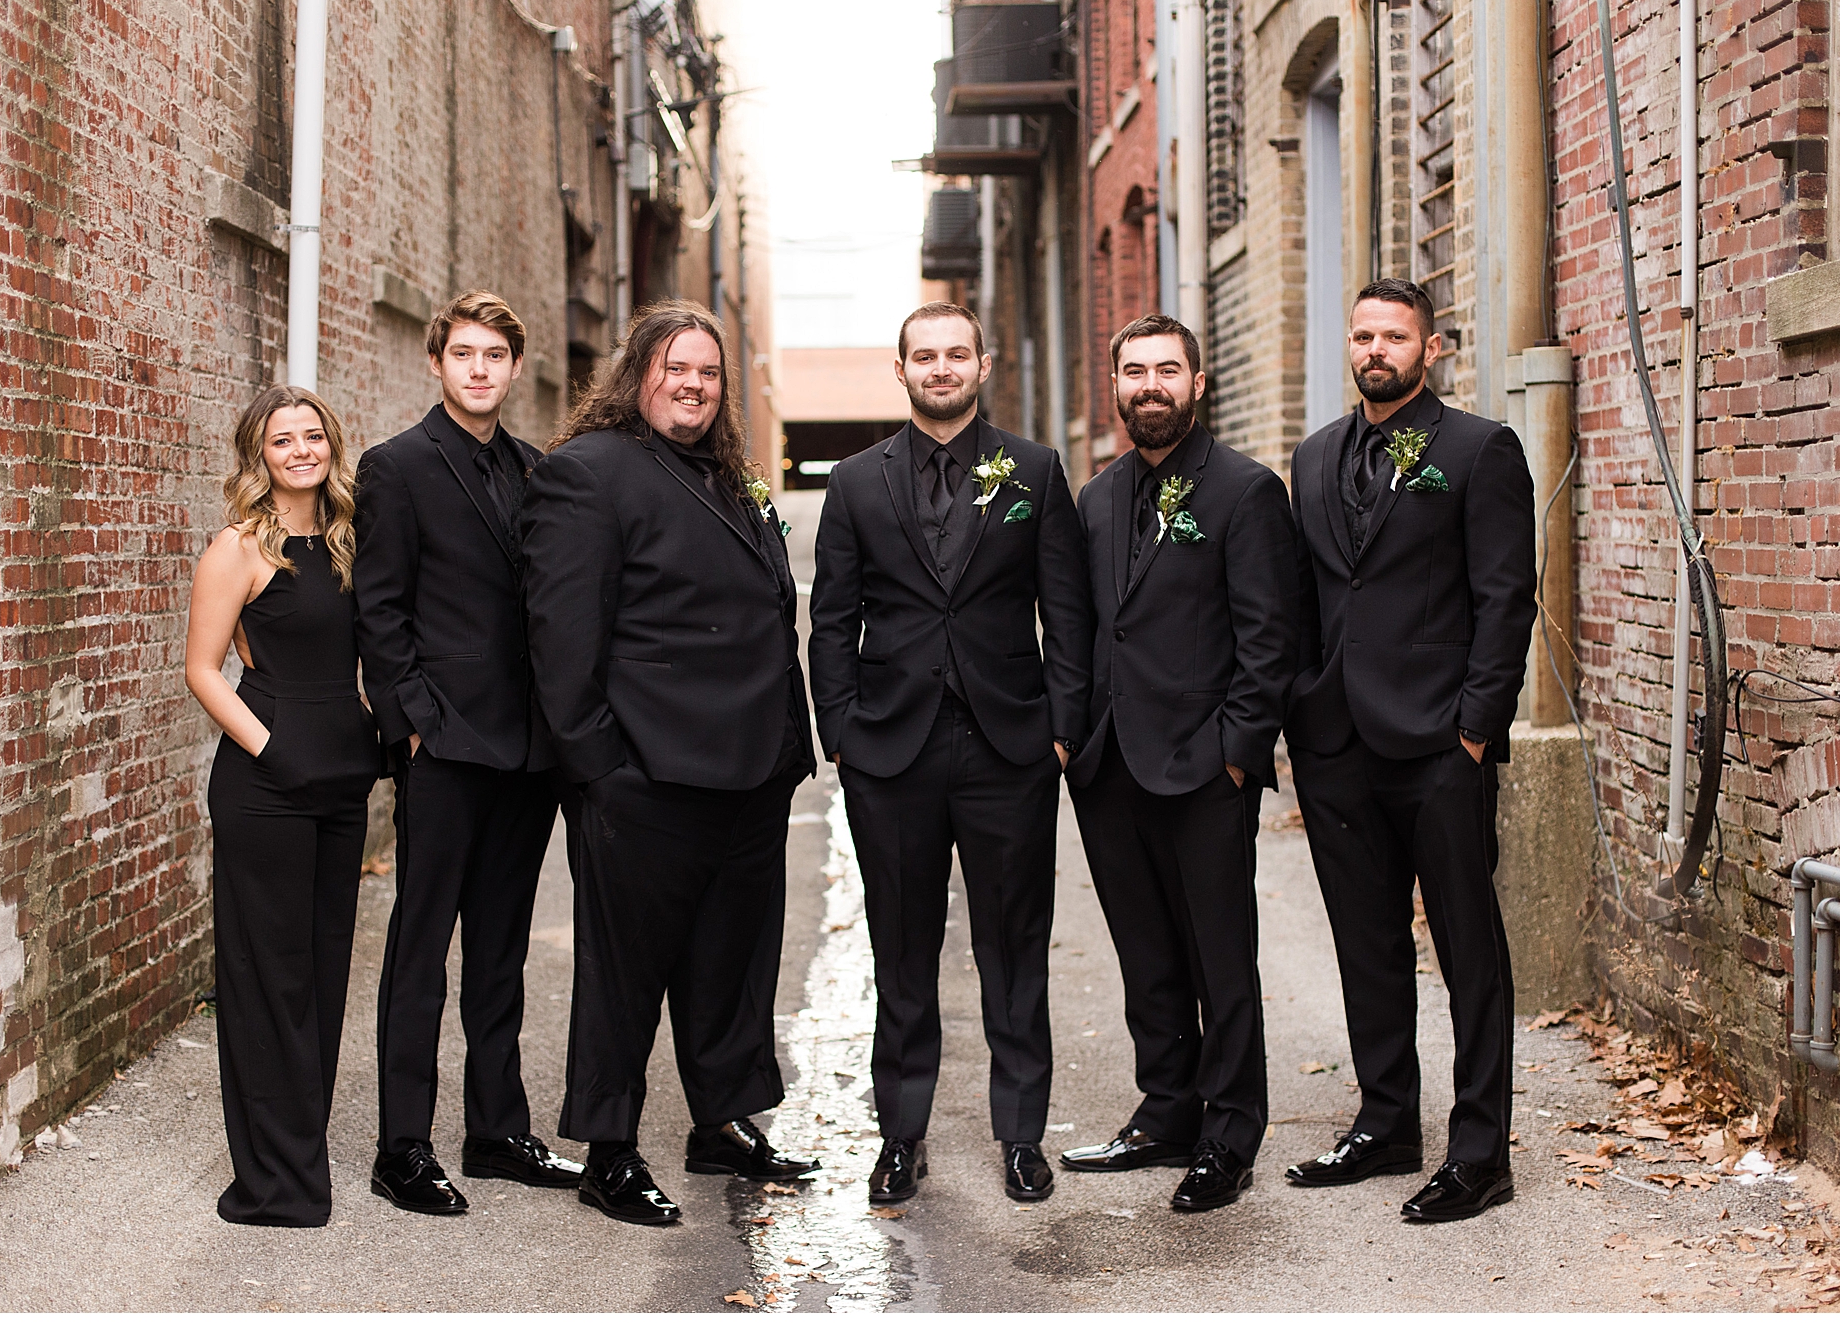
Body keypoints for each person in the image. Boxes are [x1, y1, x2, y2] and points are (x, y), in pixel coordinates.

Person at [522, 299, 819, 1227]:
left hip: (750, 771)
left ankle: (721, 1119)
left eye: (708, 372)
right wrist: (601, 770)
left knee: (732, 960)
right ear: (637, 373)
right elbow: (562, 639)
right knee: (625, 972)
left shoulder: (728, 476)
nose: (693, 385)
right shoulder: (587, 472)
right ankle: (609, 1149)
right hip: (644, 776)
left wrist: (788, 747)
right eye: (674, 367)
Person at [809, 302, 1094, 1205]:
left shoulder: (1035, 471)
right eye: (925, 355)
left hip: (1009, 746)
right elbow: (831, 618)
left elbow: (1068, 612)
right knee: (901, 947)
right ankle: (901, 1134)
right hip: (890, 750)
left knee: (1014, 947)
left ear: (983, 363)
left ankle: (1021, 1135)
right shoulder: (856, 480)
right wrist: (842, 731)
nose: (941, 367)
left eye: (956, 353)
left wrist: (1060, 727)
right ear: (901, 370)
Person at [1281, 277, 1537, 1222]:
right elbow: (1306, 596)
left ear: (1430, 348)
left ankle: (1480, 1151)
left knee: (1469, 949)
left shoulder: (1477, 449)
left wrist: (1475, 728)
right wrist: (1303, 713)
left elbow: (1506, 597)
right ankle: (1387, 1122)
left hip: (1439, 745)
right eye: (1363, 335)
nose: (1375, 350)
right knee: (1367, 940)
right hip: (1336, 742)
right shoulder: (1313, 457)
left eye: (1394, 336)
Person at [1057, 314, 1298, 1212]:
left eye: (1167, 369)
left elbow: (1269, 639)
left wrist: (1237, 755)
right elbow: (1088, 628)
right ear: (1115, 385)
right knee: (1146, 952)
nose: (1149, 385)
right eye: (1134, 371)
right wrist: (1076, 741)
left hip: (1204, 768)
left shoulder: (1244, 490)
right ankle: (1166, 1110)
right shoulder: (1096, 498)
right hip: (1110, 766)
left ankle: (1229, 1133)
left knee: (1219, 960)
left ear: (1198, 383)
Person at [353, 291, 581, 1216]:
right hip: (444, 743)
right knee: (421, 946)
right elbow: (380, 611)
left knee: (500, 948)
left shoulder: (538, 469)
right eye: (463, 354)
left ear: (515, 368)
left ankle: (496, 1130)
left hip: (527, 750)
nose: (479, 369)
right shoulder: (396, 465)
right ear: (436, 363)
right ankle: (402, 1145)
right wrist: (411, 727)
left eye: (494, 355)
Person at [185, 385, 384, 1226]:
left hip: (341, 782)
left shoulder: (351, 540)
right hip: (266, 786)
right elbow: (202, 670)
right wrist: (276, 751)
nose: (301, 450)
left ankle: (301, 1152)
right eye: (282, 440)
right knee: (269, 977)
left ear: (331, 445)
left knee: (325, 972)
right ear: (258, 455)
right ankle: (276, 1181)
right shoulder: (238, 547)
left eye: (312, 436)